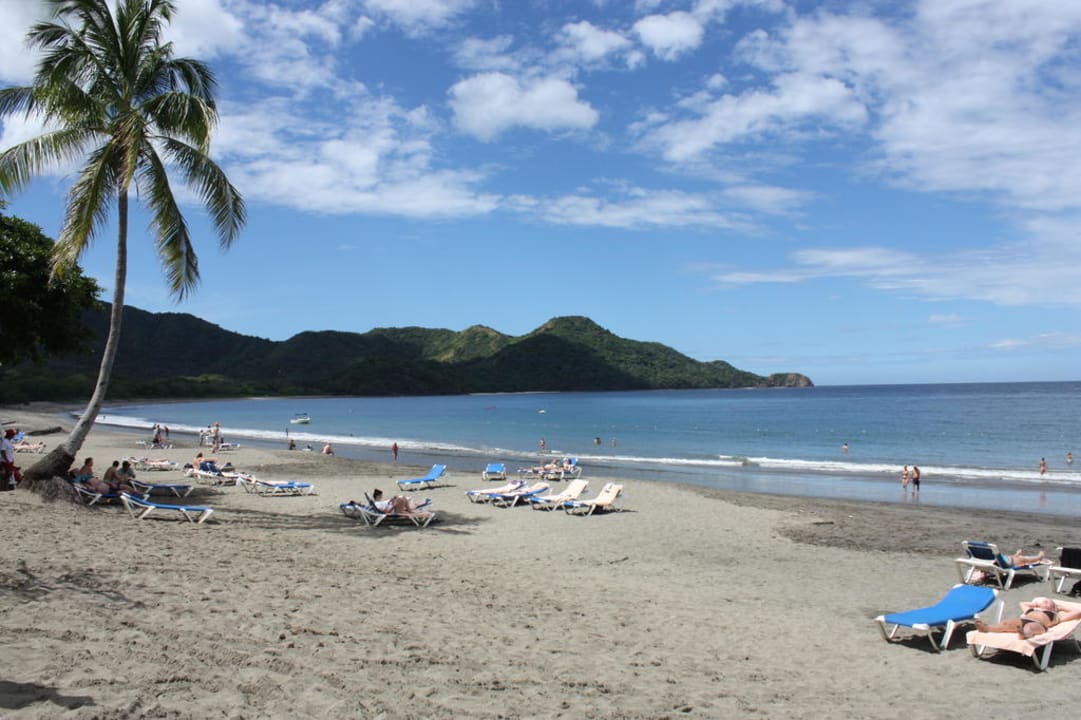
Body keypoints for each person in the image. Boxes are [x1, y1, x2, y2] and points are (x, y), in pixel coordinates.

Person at [975, 596, 1081, 639]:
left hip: (1040, 625)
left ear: (1054, 606)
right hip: (1023, 620)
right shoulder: (1033, 610)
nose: (1043, 602)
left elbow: (1077, 612)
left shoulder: (1056, 616)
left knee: (1029, 627)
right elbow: (1022, 604)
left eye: (1046, 601)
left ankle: (1025, 634)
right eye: (1042, 601)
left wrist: (1061, 607)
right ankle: (987, 628)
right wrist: (1034, 604)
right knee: (1006, 623)